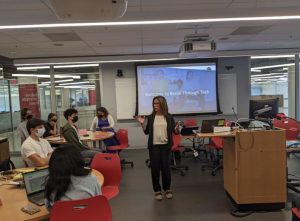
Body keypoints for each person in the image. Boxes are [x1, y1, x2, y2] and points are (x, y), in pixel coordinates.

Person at [136, 95, 179, 201]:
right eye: (154, 104)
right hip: (154, 146)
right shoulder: (151, 117)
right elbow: (146, 132)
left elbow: (175, 132)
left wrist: (178, 128)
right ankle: (157, 190)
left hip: (165, 146)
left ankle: (167, 189)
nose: (155, 105)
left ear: (162, 104)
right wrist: (142, 124)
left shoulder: (169, 117)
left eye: (157, 103)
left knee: (166, 169)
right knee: (155, 169)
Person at [45, 144, 101, 210]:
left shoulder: (51, 182)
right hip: (89, 216)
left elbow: (48, 207)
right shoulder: (92, 179)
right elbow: (99, 202)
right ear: (79, 160)